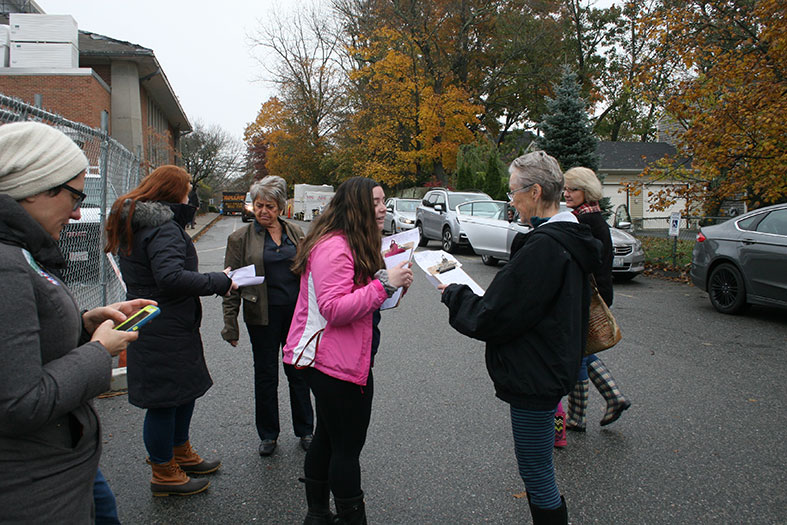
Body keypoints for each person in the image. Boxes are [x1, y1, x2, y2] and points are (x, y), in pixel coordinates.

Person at [0, 121, 154, 521]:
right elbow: (19, 403)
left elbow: (22, 339)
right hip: (34, 486)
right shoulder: (6, 263)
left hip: (54, 466)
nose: (78, 212)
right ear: (36, 187)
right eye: (74, 195)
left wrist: (85, 323)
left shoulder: (20, 250)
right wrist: (100, 350)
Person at [438, 151, 602, 524]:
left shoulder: (545, 247)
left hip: (535, 373)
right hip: (551, 363)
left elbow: (495, 315)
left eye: (514, 192)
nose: (511, 201)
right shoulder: (568, 237)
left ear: (536, 191)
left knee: (537, 474)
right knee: (539, 469)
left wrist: (453, 292)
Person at [282, 177, 413, 525]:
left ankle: (318, 515)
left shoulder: (355, 243)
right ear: (355, 207)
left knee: (329, 436)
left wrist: (392, 287)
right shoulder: (335, 247)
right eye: (375, 202)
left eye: (384, 200)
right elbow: (334, 308)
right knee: (346, 447)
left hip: (342, 359)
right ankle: (347, 518)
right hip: (330, 362)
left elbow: (366, 299)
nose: (383, 208)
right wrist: (383, 284)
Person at [104, 165, 236, 497]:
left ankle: (180, 453)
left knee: (181, 393)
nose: (190, 193)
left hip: (161, 322)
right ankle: (164, 471)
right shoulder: (162, 228)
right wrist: (218, 281)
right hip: (163, 325)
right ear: (171, 190)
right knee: (164, 401)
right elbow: (171, 277)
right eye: (187, 187)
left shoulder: (144, 224)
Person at [222, 176, 314, 457]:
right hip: (261, 316)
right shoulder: (240, 238)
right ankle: (268, 435)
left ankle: (306, 430)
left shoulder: (297, 232)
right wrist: (230, 324)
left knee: (298, 372)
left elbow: (311, 273)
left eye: (270, 206)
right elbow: (231, 285)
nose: (264, 211)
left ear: (281, 207)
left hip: (295, 316)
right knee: (265, 375)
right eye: (259, 205)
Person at [562, 167, 630, 430]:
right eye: (566, 188)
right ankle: (615, 397)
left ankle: (577, 416)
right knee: (584, 350)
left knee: (578, 353)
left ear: (587, 192)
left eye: (573, 189)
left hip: (589, 297)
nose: (567, 193)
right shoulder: (590, 217)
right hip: (593, 293)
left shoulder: (586, 222)